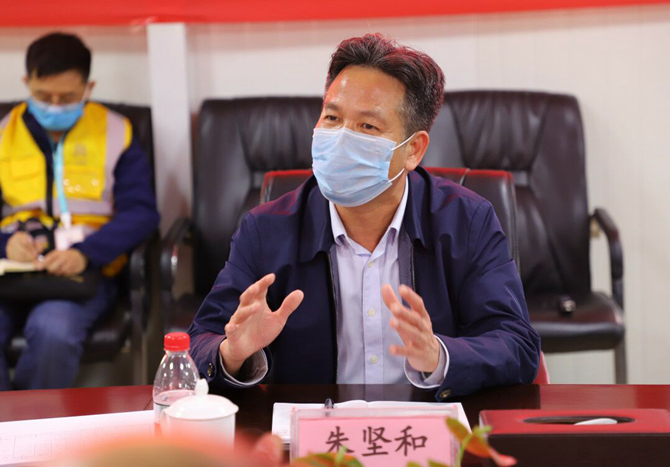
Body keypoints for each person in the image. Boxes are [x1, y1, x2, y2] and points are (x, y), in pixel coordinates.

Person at [189, 33, 540, 399]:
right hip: (315, 431)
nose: (341, 138)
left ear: (413, 149)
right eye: (332, 118)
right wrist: (232, 354)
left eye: (367, 126)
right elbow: (197, 345)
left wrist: (441, 357)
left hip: (427, 430)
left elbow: (517, 346)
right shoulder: (267, 230)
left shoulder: (467, 222)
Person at [0, 32, 159, 390]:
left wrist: (85, 254)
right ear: (27, 83)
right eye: (44, 96)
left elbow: (141, 213)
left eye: (68, 97)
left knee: (53, 331)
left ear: (89, 88)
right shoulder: (4, 134)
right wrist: (5, 244)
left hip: (83, 275)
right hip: (13, 271)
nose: (55, 106)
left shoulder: (116, 132)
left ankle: (32, 425)